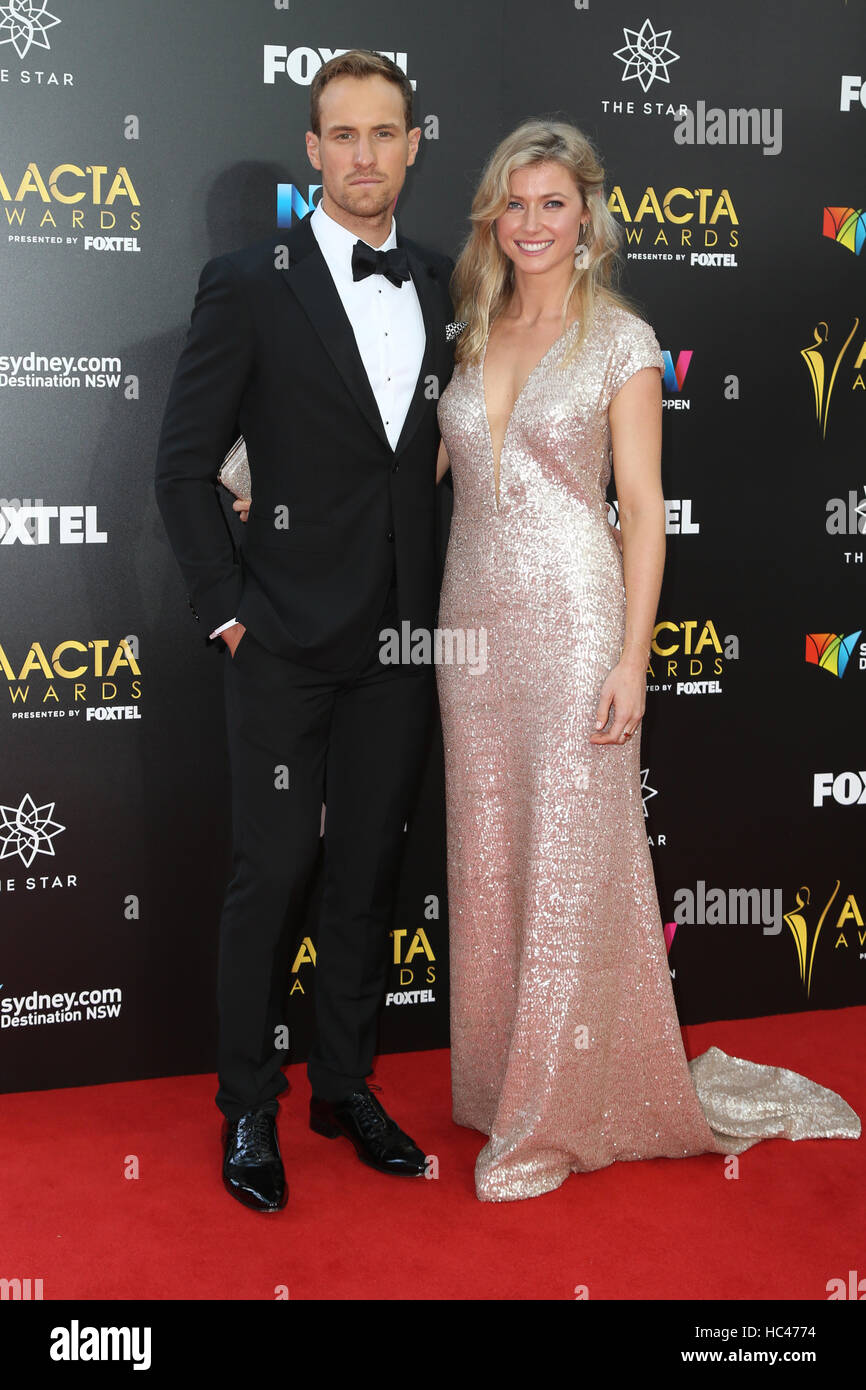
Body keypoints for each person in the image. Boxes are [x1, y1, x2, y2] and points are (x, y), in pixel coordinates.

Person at [434, 119, 860, 1202]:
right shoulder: (471, 331)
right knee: (488, 857)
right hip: (468, 629)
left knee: (573, 861)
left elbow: (644, 517)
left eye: (552, 203)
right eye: (513, 203)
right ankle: (499, 1084)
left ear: (586, 218)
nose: (531, 222)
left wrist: (631, 657)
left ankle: (548, 1116)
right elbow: (399, 460)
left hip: (576, 620)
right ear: (494, 217)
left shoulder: (620, 339)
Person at [154, 51, 455, 1212]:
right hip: (279, 639)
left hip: (399, 643)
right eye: (344, 134)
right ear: (314, 151)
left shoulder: (440, 280)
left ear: (412, 144)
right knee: (271, 872)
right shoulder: (247, 280)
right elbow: (184, 469)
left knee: (366, 874)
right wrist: (227, 612)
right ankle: (247, 1110)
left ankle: (343, 1084)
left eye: (386, 132)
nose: (365, 155)